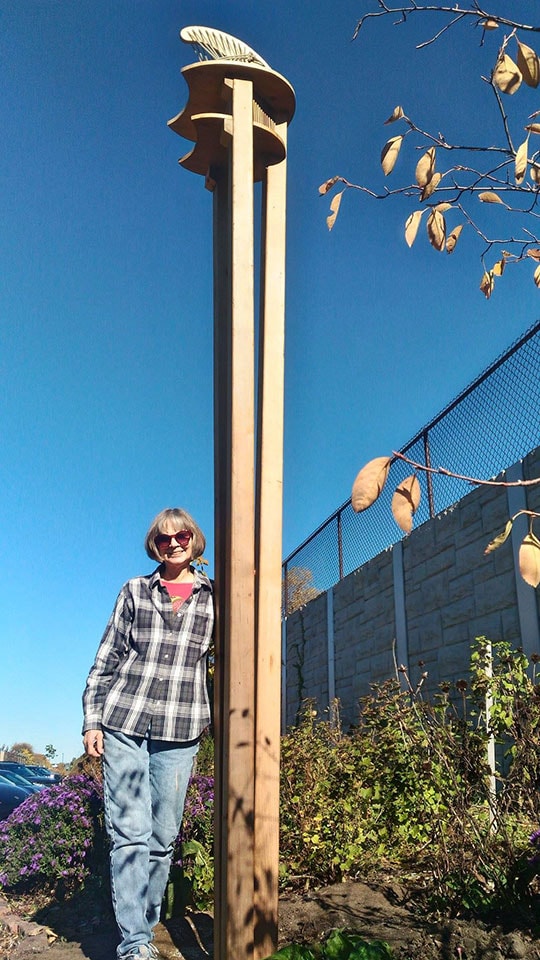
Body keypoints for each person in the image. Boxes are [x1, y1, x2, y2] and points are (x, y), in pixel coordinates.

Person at [82, 507, 214, 960]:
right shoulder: (135, 591)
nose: (173, 543)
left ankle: (146, 920)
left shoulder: (214, 598)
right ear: (153, 545)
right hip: (125, 720)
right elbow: (107, 658)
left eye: (181, 536)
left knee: (162, 837)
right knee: (130, 833)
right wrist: (92, 720)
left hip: (181, 727)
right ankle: (135, 943)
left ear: (194, 540)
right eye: (163, 539)